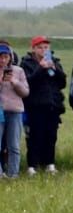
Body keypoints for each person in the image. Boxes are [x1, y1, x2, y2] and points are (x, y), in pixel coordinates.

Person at [20, 36, 65, 174]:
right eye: (40, 47)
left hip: (52, 105)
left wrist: (55, 69)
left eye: (46, 47)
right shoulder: (26, 63)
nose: (43, 50)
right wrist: (40, 68)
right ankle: (32, 166)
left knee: (51, 136)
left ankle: (50, 164)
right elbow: (28, 82)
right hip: (35, 105)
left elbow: (62, 83)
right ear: (33, 48)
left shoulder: (55, 62)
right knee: (35, 136)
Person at [0, 42, 29, 179]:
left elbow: (25, 92)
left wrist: (14, 82)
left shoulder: (18, 71)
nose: (2, 60)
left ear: (10, 57)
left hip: (15, 111)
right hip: (0, 111)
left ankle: (13, 173)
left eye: (5, 56)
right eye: (0, 57)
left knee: (14, 145)